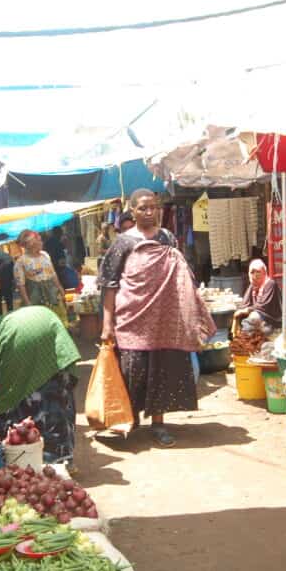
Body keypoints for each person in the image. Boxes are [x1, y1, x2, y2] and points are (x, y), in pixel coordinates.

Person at [99, 189, 215, 448]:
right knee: (132, 368)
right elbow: (109, 284)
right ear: (132, 210)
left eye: (153, 207)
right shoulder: (122, 243)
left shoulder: (167, 238)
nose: (149, 212)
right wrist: (107, 323)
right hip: (132, 317)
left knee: (162, 368)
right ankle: (129, 419)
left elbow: (179, 274)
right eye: (143, 208)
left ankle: (159, 424)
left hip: (164, 318)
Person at [0, 306, 81, 465]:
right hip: (48, 321)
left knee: (27, 403)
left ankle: (49, 461)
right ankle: (63, 457)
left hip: (27, 339)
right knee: (57, 392)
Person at [13, 230, 66, 320]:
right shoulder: (21, 262)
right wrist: (27, 303)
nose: (41, 243)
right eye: (39, 240)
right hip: (35, 296)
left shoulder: (45, 255)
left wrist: (60, 288)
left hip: (51, 293)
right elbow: (20, 285)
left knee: (56, 317)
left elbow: (53, 274)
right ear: (31, 244)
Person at [234, 259, 286, 337]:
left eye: (258, 272)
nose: (255, 275)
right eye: (252, 272)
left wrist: (247, 310)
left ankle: (247, 340)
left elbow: (262, 307)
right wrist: (239, 311)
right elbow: (244, 303)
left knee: (252, 319)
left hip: (274, 322)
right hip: (262, 322)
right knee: (242, 318)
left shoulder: (270, 284)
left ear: (264, 273)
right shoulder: (252, 286)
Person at [0, 240, 15, 315]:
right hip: (7, 282)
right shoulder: (6, 255)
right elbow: (12, 268)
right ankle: (11, 316)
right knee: (9, 301)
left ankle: (0, 318)